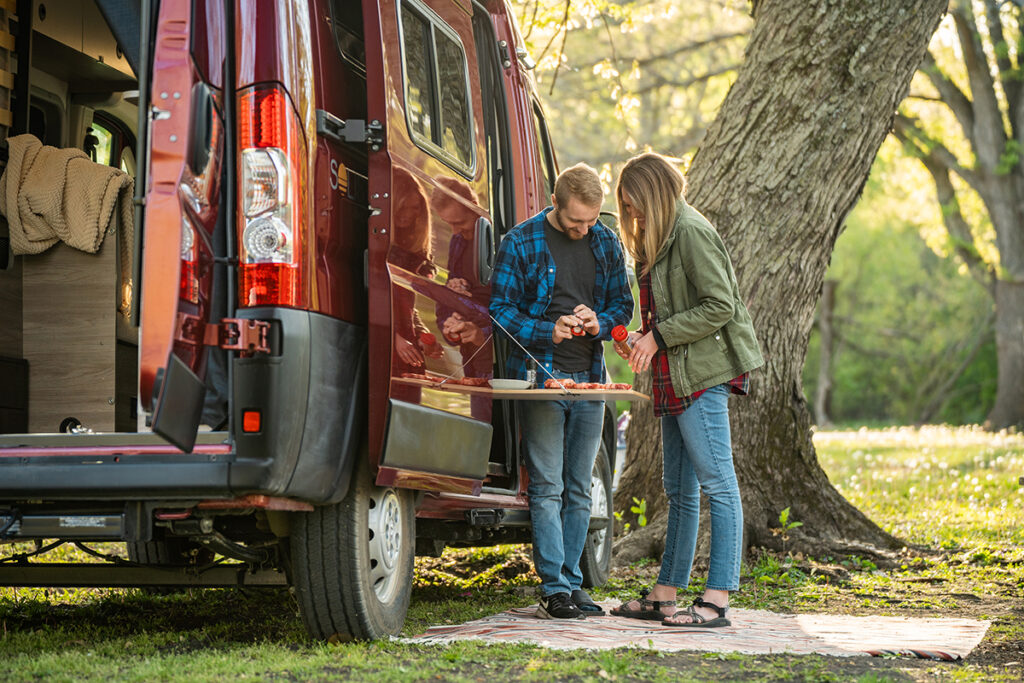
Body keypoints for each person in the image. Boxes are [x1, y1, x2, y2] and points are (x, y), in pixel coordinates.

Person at [608, 152, 763, 628]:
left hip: (703, 376)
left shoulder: (692, 231)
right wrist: (641, 336)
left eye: (636, 205)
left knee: (719, 485)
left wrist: (659, 337)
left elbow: (721, 305)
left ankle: (717, 599)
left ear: (654, 196)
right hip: (674, 374)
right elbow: (669, 311)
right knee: (679, 490)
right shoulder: (660, 238)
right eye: (627, 208)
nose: (632, 215)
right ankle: (664, 594)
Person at [490, 163, 633, 620]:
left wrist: (601, 323)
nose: (585, 229)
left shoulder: (605, 240)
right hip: (540, 380)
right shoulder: (520, 242)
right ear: (555, 204)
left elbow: (621, 305)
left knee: (580, 487)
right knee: (547, 486)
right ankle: (554, 588)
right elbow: (497, 310)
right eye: (576, 222)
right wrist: (545, 331)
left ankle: (574, 584)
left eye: (591, 220)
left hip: (590, 378)